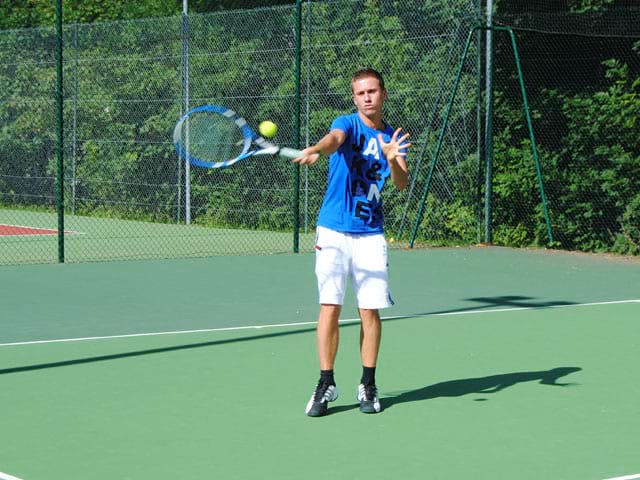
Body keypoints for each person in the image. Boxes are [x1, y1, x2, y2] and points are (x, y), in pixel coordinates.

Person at [293, 68, 411, 417]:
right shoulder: (346, 122)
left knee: (369, 310)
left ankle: (368, 383)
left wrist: (392, 160)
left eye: (373, 91)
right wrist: (316, 148)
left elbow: (402, 183)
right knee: (330, 305)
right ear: (354, 98)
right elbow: (334, 139)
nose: (367, 97)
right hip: (333, 230)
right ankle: (326, 382)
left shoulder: (393, 136)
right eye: (361, 93)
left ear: (384, 94)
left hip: (371, 234)